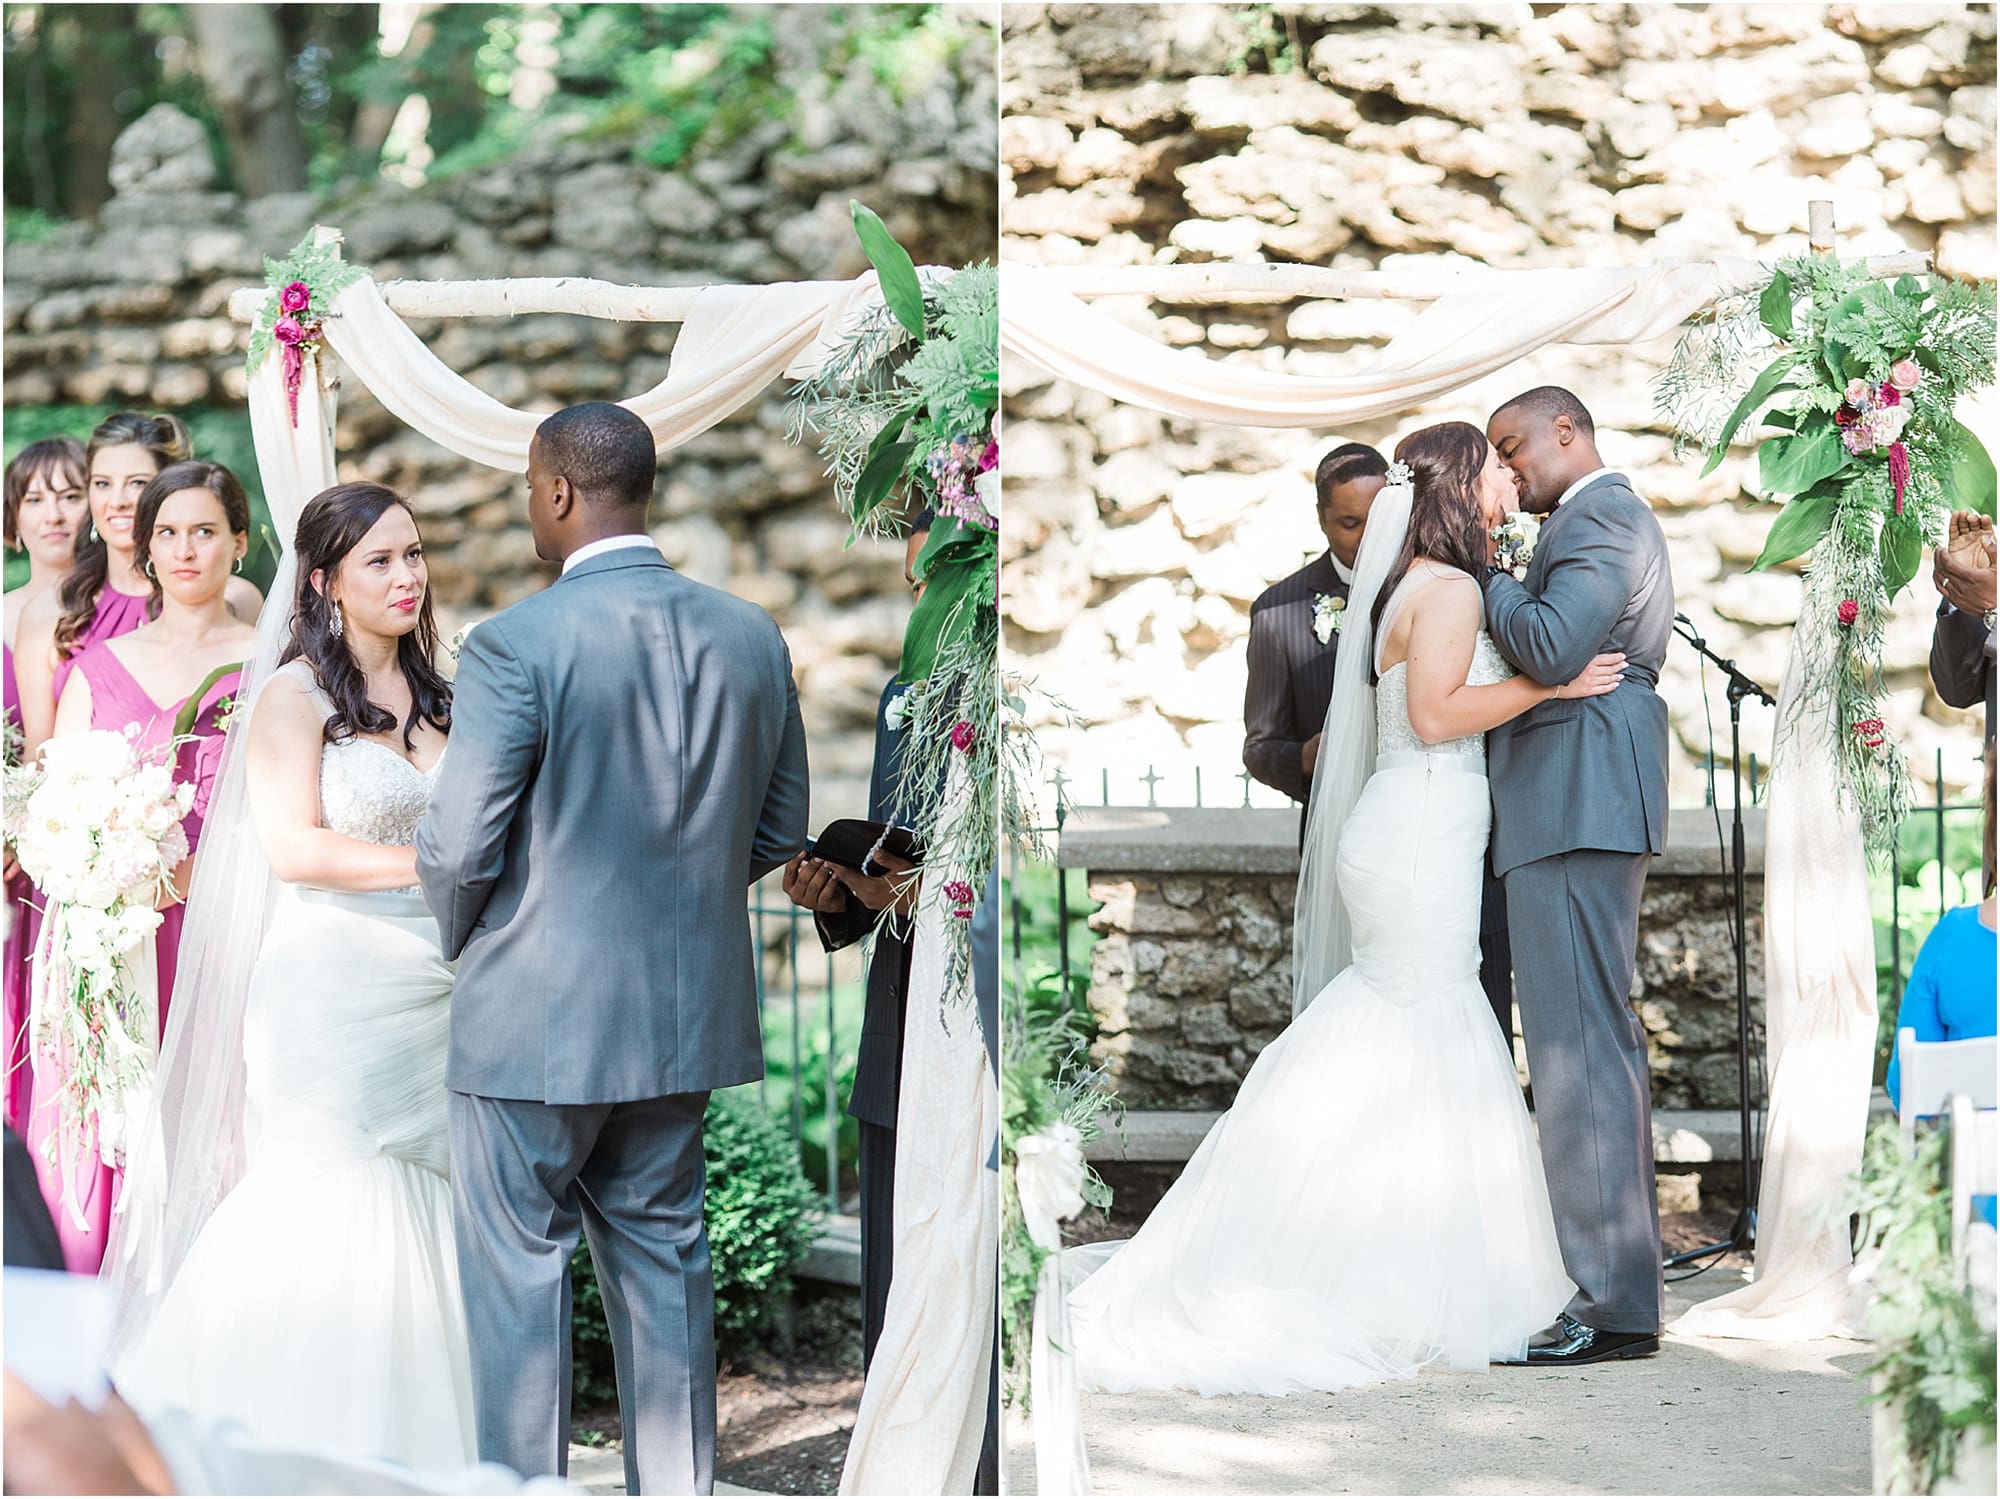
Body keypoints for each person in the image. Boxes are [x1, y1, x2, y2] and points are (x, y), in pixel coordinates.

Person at [1068, 423, 1626, 1398]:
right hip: (1421, 830)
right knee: (1420, 1019)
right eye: (1488, 471)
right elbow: (1436, 715)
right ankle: (1384, 1269)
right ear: (1458, 488)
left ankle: (1396, 1251)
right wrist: (1550, 681)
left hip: (1410, 826)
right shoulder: (1448, 590)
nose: (1501, 483)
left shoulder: (1403, 584)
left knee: (1398, 1027)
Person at [416, 402, 809, 1496]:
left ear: (555, 491)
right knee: (665, 1266)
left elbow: (458, 845)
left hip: (530, 1017)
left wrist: (472, 938)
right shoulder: (752, 633)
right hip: (681, 1016)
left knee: (519, 1283)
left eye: (526, 487)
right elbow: (777, 830)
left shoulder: (516, 642)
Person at [108, 482, 474, 1473]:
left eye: (412, 553)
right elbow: (293, 847)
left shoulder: (451, 695)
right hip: (332, 996)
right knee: (336, 1202)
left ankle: (421, 1454)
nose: (405, 575)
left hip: (439, 995)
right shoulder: (292, 696)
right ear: (323, 582)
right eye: (378, 561)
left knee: (427, 1216)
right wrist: (441, 867)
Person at [1482, 385, 1673, 1365]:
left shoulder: (1600, 515)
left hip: (1574, 793)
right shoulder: (1590, 517)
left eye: (1511, 446)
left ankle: (1608, 1303)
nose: (1505, 468)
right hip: (1581, 792)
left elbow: (1556, 645)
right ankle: (1618, 1291)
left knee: (1576, 1052)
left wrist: (1486, 572)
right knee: (1592, 1045)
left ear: (1568, 430)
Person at [26, 462, 254, 1274]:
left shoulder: (271, 665)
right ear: (146, 549)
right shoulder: (100, 666)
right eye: (169, 533)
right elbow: (57, 807)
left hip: (224, 926)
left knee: (214, 1118)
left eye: (205, 531)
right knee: (108, 1125)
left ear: (239, 541)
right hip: (113, 931)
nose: (185, 550)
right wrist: (95, 873)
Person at [783, 514, 929, 1371]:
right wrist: (837, 897)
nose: (922, 602)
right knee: (889, 1263)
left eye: (938, 579)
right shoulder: (899, 695)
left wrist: (914, 889)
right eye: (912, 584)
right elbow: (889, 855)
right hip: (897, 1007)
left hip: (963, 1014)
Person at [13, 412, 261, 760]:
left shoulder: (235, 597)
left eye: (137, 483)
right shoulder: (47, 613)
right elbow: (40, 757)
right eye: (102, 484)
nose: (118, 501)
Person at [5, 437, 90, 1133]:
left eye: (69, 495)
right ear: (14, 518)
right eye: (35, 499)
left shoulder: (109, 608)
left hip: (75, 839)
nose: (54, 514)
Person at [1242, 442, 1384, 818]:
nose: (1369, 537)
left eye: (1380, 520)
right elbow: (1259, 749)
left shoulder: (1433, 586)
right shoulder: (1277, 612)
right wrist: (1306, 756)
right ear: (1322, 518)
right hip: (1336, 819)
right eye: (1351, 523)